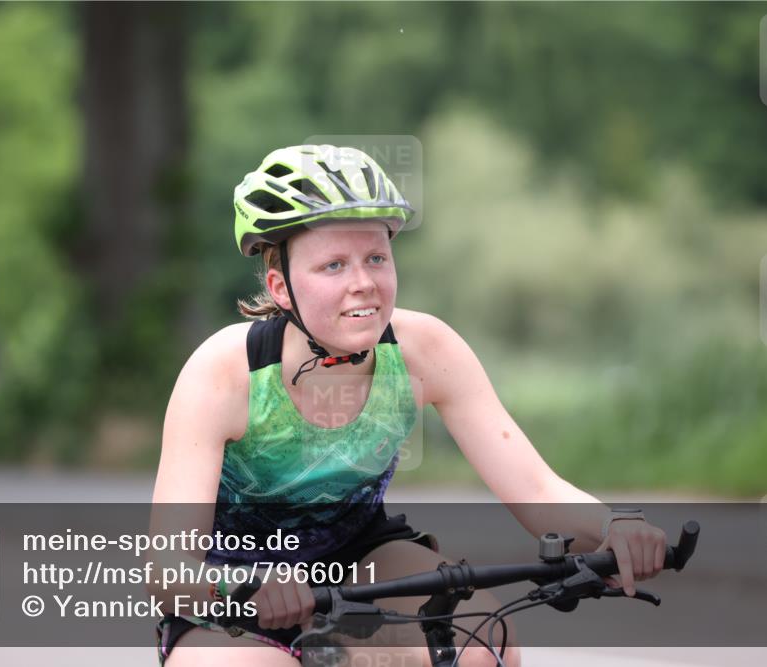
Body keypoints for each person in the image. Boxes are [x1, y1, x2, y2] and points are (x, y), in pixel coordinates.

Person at [150, 145, 669, 667]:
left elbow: (535, 487)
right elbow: (166, 568)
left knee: (479, 643)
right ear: (280, 287)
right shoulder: (223, 374)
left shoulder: (426, 350)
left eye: (376, 258)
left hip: (361, 560)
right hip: (232, 585)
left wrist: (614, 527)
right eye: (333, 265)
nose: (363, 283)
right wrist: (244, 584)